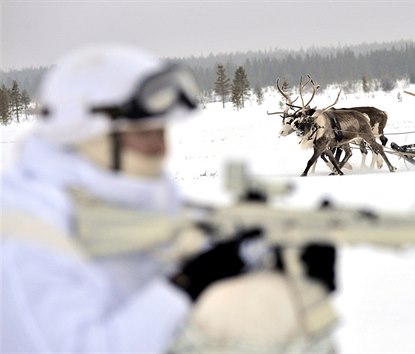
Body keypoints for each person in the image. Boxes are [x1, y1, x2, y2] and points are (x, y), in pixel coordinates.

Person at [1, 44, 336, 353]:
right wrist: (187, 284)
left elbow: (174, 252)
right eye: (145, 134)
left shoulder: (132, 191)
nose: (162, 148)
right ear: (87, 133)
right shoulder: (23, 233)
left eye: (161, 131)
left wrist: (269, 260)